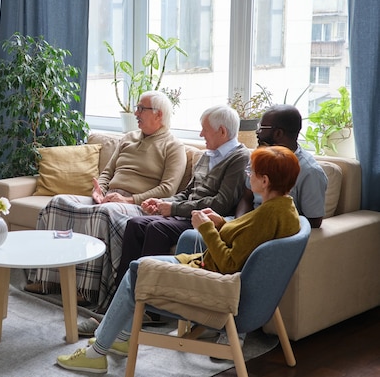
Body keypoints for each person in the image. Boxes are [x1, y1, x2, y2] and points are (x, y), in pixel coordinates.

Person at [56, 146, 301, 374]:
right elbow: (246, 240)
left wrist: (206, 230)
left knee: (137, 272)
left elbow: (228, 263)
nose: (248, 175)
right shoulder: (283, 209)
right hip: (207, 269)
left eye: (252, 172)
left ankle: (97, 352)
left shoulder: (267, 216)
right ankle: (118, 338)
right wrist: (221, 223)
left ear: (265, 181)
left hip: (215, 284)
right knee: (137, 270)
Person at [26, 90, 187, 311]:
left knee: (102, 214)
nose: (136, 112)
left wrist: (130, 199)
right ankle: (47, 278)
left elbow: (168, 188)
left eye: (142, 108)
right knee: (58, 203)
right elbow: (107, 171)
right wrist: (99, 191)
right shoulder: (128, 138)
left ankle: (84, 289)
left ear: (159, 115)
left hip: (137, 206)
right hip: (109, 198)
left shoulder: (173, 146)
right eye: (137, 107)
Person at [115, 104, 250, 285]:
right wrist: (161, 202)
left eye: (205, 129)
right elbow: (187, 192)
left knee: (156, 228)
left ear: (222, 132)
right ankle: (120, 294)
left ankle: (147, 299)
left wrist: (174, 208)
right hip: (185, 214)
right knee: (135, 224)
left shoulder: (239, 158)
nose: (201, 134)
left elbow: (222, 203)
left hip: (204, 219)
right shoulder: (208, 154)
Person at [236, 104, 328, 227]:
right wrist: (238, 226)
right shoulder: (260, 156)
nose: (257, 132)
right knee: (202, 233)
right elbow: (247, 198)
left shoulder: (310, 171)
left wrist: (266, 229)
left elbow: (314, 221)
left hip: (275, 232)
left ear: (278, 133)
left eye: (262, 128)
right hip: (248, 223)